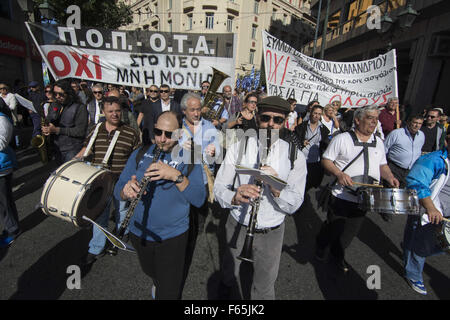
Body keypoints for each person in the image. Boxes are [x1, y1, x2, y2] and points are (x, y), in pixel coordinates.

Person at [214, 96, 307, 300]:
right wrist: (235, 196)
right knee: (229, 273)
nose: (271, 124)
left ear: (285, 122)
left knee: (264, 286)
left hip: (271, 230)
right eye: (266, 118)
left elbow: (294, 204)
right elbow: (219, 187)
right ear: (257, 118)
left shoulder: (295, 156)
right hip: (238, 222)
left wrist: (275, 186)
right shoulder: (239, 147)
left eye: (278, 120)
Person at [114, 111, 206, 299]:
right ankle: (158, 283)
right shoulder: (140, 153)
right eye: (158, 132)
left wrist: (175, 176)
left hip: (172, 236)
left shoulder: (190, 158)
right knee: (152, 272)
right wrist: (126, 190)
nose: (162, 139)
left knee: (169, 289)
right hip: (139, 231)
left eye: (169, 134)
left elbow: (198, 198)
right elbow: (118, 189)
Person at [315, 105, 399, 272]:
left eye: (376, 119)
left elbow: (382, 164)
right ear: (358, 120)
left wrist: (390, 177)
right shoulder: (342, 139)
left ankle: (337, 255)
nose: (374, 122)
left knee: (349, 233)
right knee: (334, 228)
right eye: (369, 118)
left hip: (365, 198)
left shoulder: (379, 142)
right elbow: (326, 160)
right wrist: (339, 174)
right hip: (341, 196)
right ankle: (322, 243)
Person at [77, 96, 141, 265]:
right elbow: (86, 149)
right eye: (110, 111)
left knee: (122, 210)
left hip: (121, 179)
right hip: (99, 180)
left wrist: (134, 178)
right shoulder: (95, 129)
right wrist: (76, 160)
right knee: (100, 214)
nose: (114, 114)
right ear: (103, 112)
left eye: (118, 111)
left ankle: (122, 232)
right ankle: (96, 247)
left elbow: (136, 158)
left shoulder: (131, 132)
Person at [402, 133, 450, 295]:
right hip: (430, 209)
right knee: (421, 244)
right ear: (447, 141)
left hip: (445, 213)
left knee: (428, 242)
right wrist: (430, 208)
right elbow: (416, 183)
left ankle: (409, 253)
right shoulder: (433, 160)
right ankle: (413, 274)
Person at [42, 79, 88, 164]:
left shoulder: (79, 107)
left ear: (69, 93)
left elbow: (80, 131)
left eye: (61, 94)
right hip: (57, 148)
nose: (57, 96)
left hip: (72, 149)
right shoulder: (54, 105)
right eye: (55, 94)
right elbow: (49, 120)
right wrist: (47, 128)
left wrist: (57, 130)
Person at [384, 114, 425, 187]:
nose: (417, 125)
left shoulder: (421, 135)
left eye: (419, 123)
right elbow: (384, 150)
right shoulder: (396, 133)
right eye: (415, 122)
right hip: (394, 168)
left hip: (410, 171)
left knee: (404, 194)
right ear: (408, 122)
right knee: (391, 191)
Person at [0, 101, 20, 248]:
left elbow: (2, 143)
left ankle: (12, 230)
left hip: (2, 168)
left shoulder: (2, 120)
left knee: (4, 202)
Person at [296, 105, 330, 190]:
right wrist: (301, 142)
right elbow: (295, 140)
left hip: (315, 160)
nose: (316, 116)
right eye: (315, 113)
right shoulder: (301, 127)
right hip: (302, 158)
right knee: (299, 180)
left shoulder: (324, 129)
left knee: (309, 182)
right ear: (311, 113)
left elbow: (324, 143)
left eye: (319, 114)